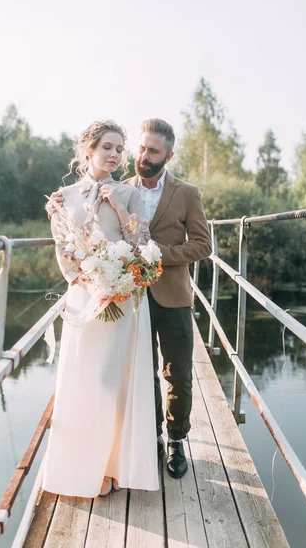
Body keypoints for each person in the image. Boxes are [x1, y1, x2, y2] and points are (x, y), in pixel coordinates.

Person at [47, 118, 212, 480]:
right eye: (139, 148)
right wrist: (59, 212)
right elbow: (91, 233)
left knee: (178, 373)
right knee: (138, 372)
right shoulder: (120, 188)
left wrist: (154, 255)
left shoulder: (187, 193)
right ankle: (148, 436)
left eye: (152, 151)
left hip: (171, 295)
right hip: (125, 296)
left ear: (168, 156)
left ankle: (177, 441)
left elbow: (203, 245)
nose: (141, 155)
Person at [42, 120, 158, 499]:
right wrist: (89, 283)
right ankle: (80, 466)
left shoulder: (130, 192)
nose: (114, 154)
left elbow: (142, 244)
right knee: (86, 379)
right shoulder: (64, 196)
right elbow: (63, 249)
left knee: (113, 381)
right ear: (88, 150)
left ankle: (111, 466)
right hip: (86, 298)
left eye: (119, 149)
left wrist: (117, 207)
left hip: (123, 300)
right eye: (107, 146)